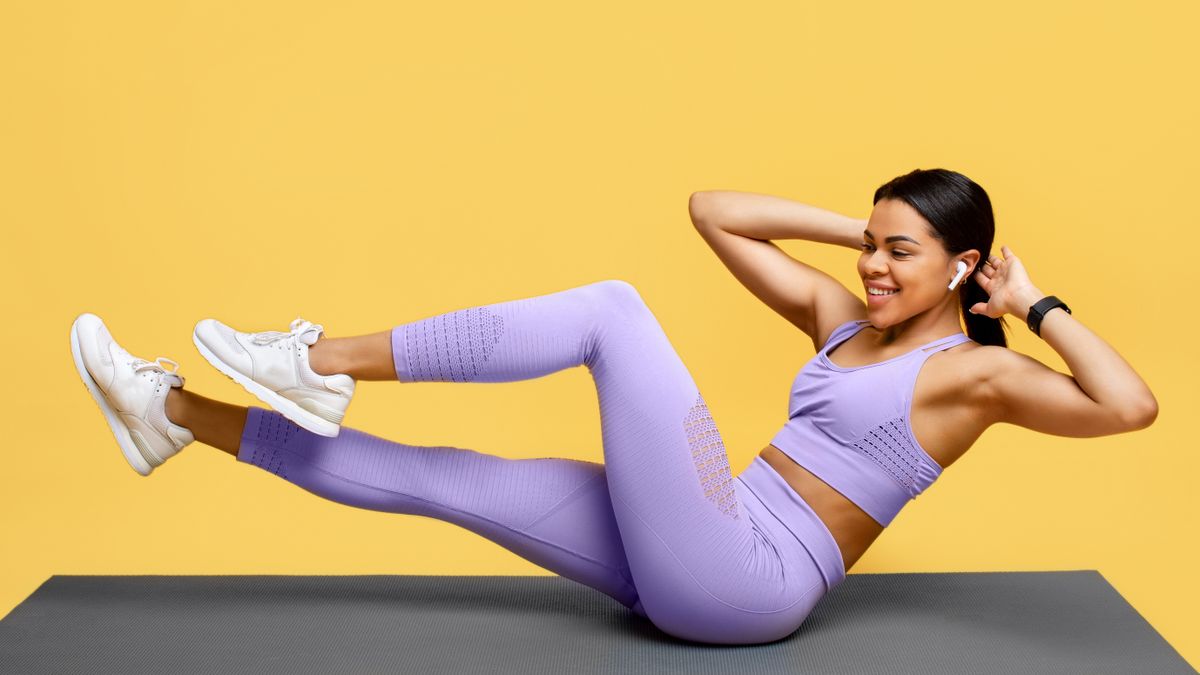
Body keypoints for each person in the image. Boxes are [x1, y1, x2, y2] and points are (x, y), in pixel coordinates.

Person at [69, 168, 1158, 646]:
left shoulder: (979, 373)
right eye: (872, 246)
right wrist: (870, 226)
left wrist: (1032, 303)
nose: (872, 266)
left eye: (900, 253)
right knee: (441, 478)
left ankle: (322, 360)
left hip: (751, 578)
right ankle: (172, 412)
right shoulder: (840, 315)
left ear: (965, 268)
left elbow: (1128, 408)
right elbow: (715, 210)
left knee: (612, 312)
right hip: (699, 536)